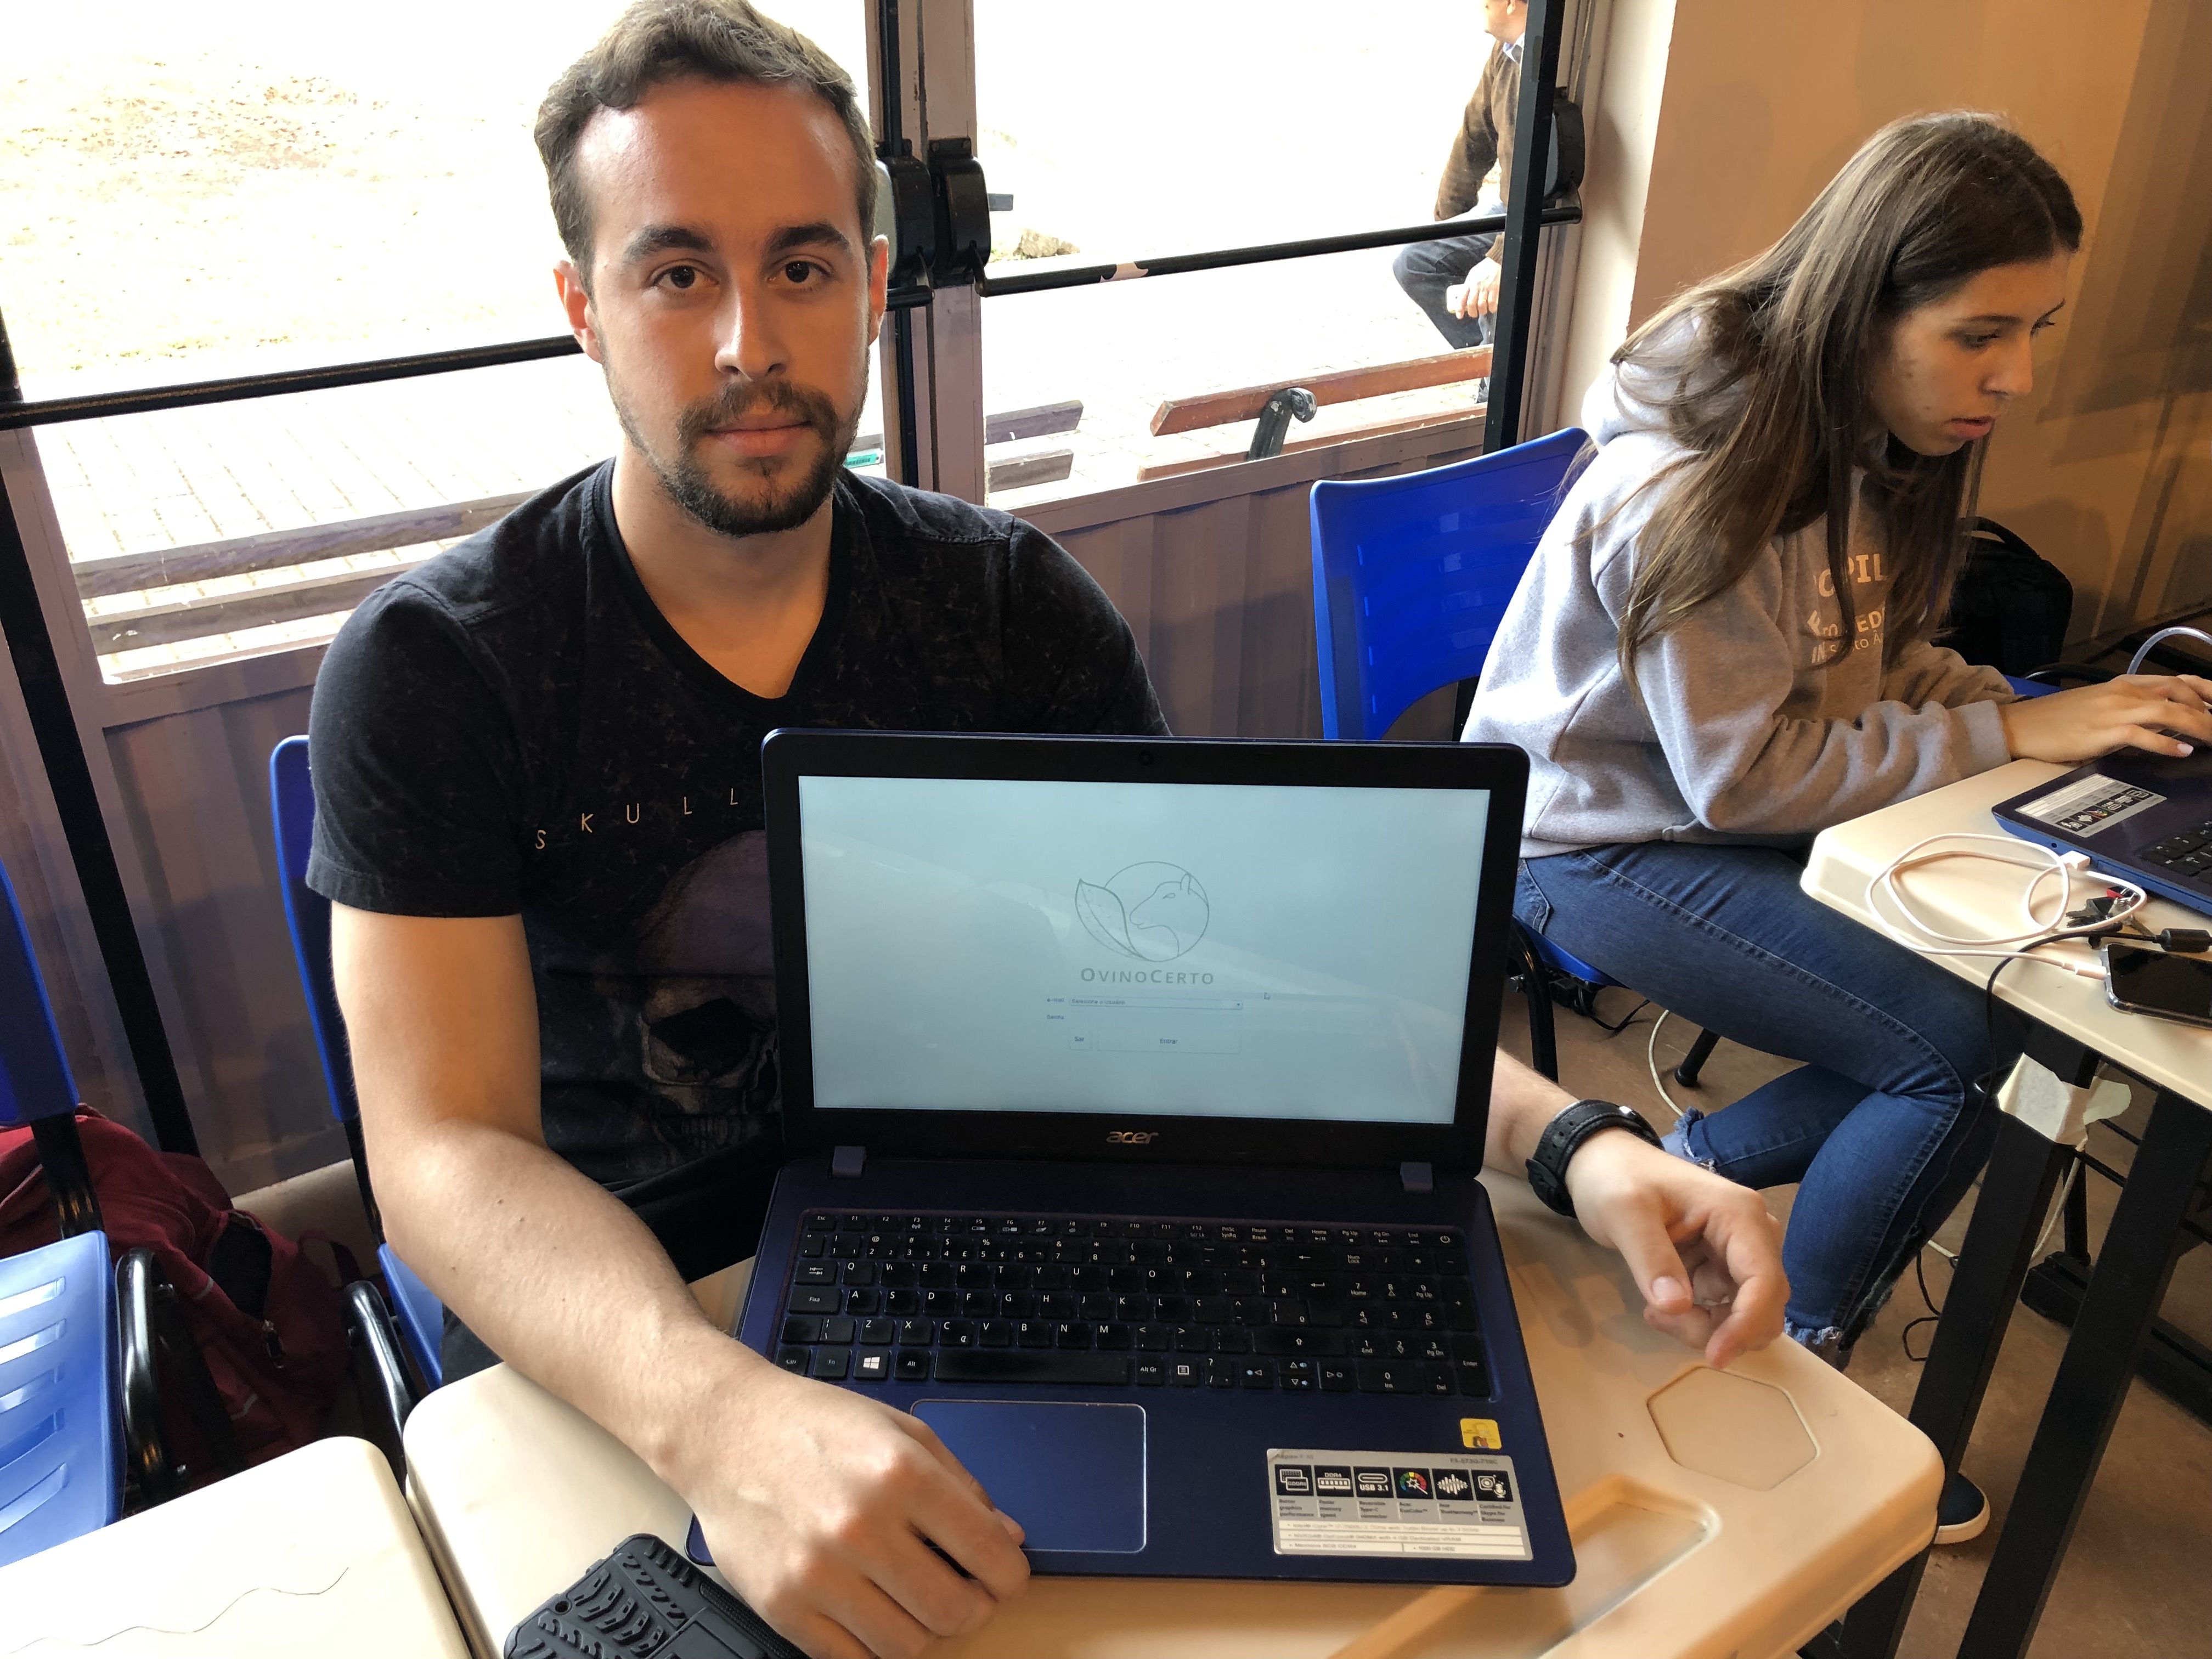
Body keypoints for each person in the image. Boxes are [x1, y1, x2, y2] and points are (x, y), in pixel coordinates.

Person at [308, 5, 1786, 1655]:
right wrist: (716, 1413)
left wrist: (1568, 1141)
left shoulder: (1005, 603)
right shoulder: (440, 667)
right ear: (583, 307)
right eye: (674, 273)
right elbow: (441, 1154)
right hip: (637, 1338)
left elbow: (1212, 962)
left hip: (1014, 1241)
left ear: (875, 281)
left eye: (801, 265)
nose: (746, 342)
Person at [1465, 111, 2212, 1544]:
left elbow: (1868, 659)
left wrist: (2037, 712)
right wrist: (2011, 734)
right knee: (1957, 1053)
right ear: (1865, 308)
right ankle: (1795, 1367)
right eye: (1982, 334)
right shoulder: (1699, 485)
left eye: (2037, 330)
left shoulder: (1864, 442)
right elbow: (1744, 779)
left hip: (1703, 816)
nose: (2020, 375)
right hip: (1589, 844)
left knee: (2006, 1017)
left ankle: (1679, 1168)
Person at [1392, 0, 1526, 359]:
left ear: (1511, 4)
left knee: (1493, 291)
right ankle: (1487, 357)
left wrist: (1501, 257)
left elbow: (1545, 181)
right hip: (1513, 209)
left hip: (1539, 213)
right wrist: (1447, 226)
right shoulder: (1506, 52)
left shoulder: (1548, 67)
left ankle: (1495, 372)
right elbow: (1474, 138)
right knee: (1416, 262)